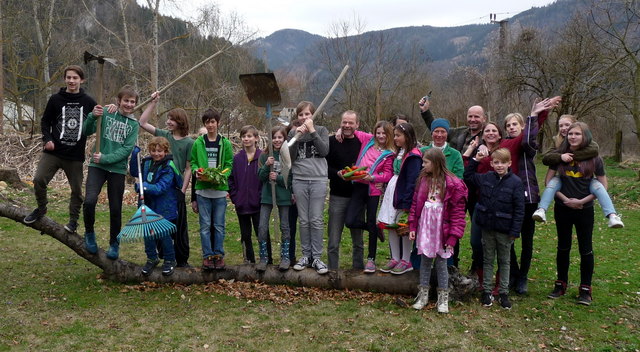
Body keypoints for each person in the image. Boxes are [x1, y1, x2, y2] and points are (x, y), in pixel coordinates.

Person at [24, 65, 97, 231]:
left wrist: (109, 110)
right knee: (38, 179)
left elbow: (99, 118)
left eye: (75, 78)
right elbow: (45, 121)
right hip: (54, 151)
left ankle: (73, 221)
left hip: (75, 155)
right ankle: (41, 208)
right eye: (69, 77)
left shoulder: (88, 101)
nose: (71, 81)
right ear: (65, 79)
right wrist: (47, 139)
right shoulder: (56, 99)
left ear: (81, 80)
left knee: (77, 191)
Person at [546, 122, 604, 306]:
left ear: (585, 136)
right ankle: (560, 284)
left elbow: (602, 186)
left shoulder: (595, 159)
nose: (572, 137)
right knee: (563, 247)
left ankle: (585, 289)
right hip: (562, 207)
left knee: (585, 249)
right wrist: (565, 199)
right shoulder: (560, 157)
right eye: (570, 134)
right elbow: (548, 180)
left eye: (577, 134)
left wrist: (582, 201)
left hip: (584, 210)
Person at [533, 114, 623, 228]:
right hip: (563, 202)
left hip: (585, 203)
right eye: (561, 126)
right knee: (554, 181)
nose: (570, 134)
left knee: (597, 185)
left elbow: (603, 183)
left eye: (568, 126)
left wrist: (581, 202)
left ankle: (612, 215)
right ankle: (541, 209)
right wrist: (561, 157)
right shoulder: (558, 149)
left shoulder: (593, 152)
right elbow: (547, 161)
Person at [82, 85, 139, 259]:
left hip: (117, 169)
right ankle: (89, 234)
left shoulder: (133, 124)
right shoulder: (107, 112)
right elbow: (86, 130)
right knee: (90, 201)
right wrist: (93, 115)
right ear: (119, 101)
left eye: (132, 102)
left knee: (115, 208)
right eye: (126, 101)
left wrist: (105, 158)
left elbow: (126, 149)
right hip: (97, 167)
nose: (129, 104)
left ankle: (114, 243)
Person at [138, 92, 194, 267]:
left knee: (177, 226)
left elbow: (188, 168)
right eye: (168, 118)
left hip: (175, 189)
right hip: (158, 188)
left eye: (172, 119)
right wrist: (153, 103)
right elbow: (142, 123)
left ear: (180, 122)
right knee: (157, 224)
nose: (168, 122)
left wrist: (183, 190)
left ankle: (181, 259)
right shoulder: (164, 136)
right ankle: (159, 257)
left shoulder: (189, 143)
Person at [408, 148, 468, 313]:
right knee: (425, 261)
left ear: (435, 163)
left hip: (442, 231)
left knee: (442, 263)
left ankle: (443, 298)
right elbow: (415, 205)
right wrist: (412, 226)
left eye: (426, 162)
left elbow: (457, 214)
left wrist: (453, 237)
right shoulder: (423, 180)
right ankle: (423, 294)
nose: (423, 165)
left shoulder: (453, 184)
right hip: (426, 229)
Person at [464, 148, 524, 310]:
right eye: (496, 162)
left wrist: (514, 231)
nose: (499, 166)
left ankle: (503, 292)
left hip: (505, 230)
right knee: (488, 259)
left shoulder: (516, 182)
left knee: (504, 261)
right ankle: (487, 291)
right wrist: (475, 160)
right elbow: (468, 176)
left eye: (503, 163)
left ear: (509, 163)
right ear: (491, 164)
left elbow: (519, 209)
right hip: (487, 227)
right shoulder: (486, 178)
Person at [343, 120, 395, 273]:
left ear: (388, 135)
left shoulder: (389, 154)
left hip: (373, 190)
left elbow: (387, 174)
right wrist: (340, 131)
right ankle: (373, 228)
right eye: (378, 133)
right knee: (350, 220)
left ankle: (371, 259)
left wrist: (373, 178)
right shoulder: (368, 140)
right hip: (358, 186)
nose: (380, 136)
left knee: (371, 218)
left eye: (383, 133)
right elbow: (353, 131)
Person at [287, 101, 330, 274]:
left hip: (318, 180)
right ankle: (305, 255)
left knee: (316, 219)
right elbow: (289, 157)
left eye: (307, 114)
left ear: (313, 115)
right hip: (300, 179)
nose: (304, 117)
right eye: (301, 114)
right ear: (297, 117)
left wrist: (312, 131)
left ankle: (317, 257)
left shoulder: (321, 130)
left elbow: (324, 150)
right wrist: (296, 138)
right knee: (304, 219)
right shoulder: (292, 133)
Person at [377, 123, 422, 275]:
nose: (395, 138)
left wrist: (407, 201)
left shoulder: (414, 156)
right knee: (391, 224)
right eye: (394, 135)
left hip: (403, 192)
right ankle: (395, 257)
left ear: (407, 137)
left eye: (398, 135)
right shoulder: (399, 152)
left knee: (403, 226)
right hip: (393, 190)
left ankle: (406, 259)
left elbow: (412, 180)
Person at [419, 118, 464, 268]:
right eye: (436, 131)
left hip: (446, 203)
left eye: (443, 131)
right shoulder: (422, 152)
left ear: (447, 133)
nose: (439, 135)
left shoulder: (455, 154)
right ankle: (420, 275)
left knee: (445, 240)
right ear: (431, 133)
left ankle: (447, 274)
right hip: (426, 204)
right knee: (424, 240)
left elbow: (458, 177)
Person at [191, 108, 233, 270]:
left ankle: (218, 255)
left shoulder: (225, 143)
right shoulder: (198, 143)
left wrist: (221, 175)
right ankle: (207, 256)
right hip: (202, 190)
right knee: (205, 225)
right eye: (207, 122)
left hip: (219, 190)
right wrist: (197, 171)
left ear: (218, 123)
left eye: (213, 122)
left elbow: (229, 164)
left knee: (219, 225)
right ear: (204, 124)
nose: (210, 125)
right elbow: (194, 162)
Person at [134, 137, 182, 276]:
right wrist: (133, 155)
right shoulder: (147, 162)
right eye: (153, 150)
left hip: (164, 205)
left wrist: (143, 186)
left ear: (165, 152)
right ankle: (152, 258)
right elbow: (134, 171)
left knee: (163, 233)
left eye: (160, 151)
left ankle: (169, 260)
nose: (156, 154)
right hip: (147, 204)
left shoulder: (168, 167)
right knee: (147, 232)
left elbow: (161, 188)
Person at [326, 110, 365, 271]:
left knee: (358, 240)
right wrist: (337, 173)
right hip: (337, 196)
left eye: (351, 123)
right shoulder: (331, 142)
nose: (347, 125)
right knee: (333, 240)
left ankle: (358, 271)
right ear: (340, 123)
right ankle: (332, 271)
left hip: (358, 197)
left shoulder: (363, 143)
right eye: (345, 122)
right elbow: (324, 167)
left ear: (357, 125)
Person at [257, 126, 293, 272]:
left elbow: (290, 178)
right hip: (267, 196)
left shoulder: (287, 154)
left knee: (285, 226)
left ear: (284, 139)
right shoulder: (264, 156)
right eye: (274, 137)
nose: (277, 140)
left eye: (280, 137)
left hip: (283, 196)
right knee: (262, 226)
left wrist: (277, 178)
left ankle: (285, 257)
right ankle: (263, 257)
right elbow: (260, 176)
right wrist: (267, 167)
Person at [229, 125, 266, 264]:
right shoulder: (237, 159)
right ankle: (248, 260)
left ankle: (266, 259)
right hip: (242, 204)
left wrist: (261, 197)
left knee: (261, 233)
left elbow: (266, 180)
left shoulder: (262, 157)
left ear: (256, 138)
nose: (246, 139)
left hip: (258, 204)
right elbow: (230, 179)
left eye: (249, 136)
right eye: (244, 136)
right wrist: (235, 197)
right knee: (245, 234)